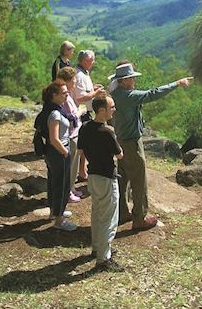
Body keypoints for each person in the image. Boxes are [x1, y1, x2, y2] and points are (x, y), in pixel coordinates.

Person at [109, 62, 193, 230]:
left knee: (123, 179)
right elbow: (153, 94)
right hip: (132, 144)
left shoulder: (115, 93)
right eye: (131, 78)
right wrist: (176, 84)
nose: (134, 81)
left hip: (120, 141)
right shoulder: (129, 96)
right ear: (124, 81)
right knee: (139, 181)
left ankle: (122, 212)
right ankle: (139, 218)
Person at [77, 94, 124, 272]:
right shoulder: (107, 131)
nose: (114, 110)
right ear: (102, 110)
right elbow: (119, 155)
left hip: (93, 176)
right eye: (112, 107)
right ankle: (103, 258)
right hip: (106, 177)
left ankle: (97, 247)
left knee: (97, 212)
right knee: (109, 219)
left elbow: (81, 150)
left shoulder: (85, 127)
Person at [35, 81, 76, 231]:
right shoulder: (55, 114)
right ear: (54, 95)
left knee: (54, 182)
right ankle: (59, 220)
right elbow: (54, 138)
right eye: (64, 93)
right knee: (62, 185)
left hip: (52, 153)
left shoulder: (50, 110)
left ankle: (55, 212)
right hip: (58, 152)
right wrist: (65, 152)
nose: (67, 95)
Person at [73, 50, 104, 182]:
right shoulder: (79, 75)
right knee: (84, 144)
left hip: (85, 111)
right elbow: (80, 97)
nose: (94, 62)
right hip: (82, 112)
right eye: (92, 60)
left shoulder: (83, 72)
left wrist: (93, 88)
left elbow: (84, 91)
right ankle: (81, 171)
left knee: (85, 143)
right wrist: (95, 93)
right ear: (85, 61)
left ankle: (82, 170)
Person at [56, 66, 85, 202]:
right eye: (73, 80)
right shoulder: (65, 98)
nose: (75, 83)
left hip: (74, 134)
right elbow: (71, 117)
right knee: (71, 166)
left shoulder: (67, 95)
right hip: (71, 135)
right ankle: (68, 192)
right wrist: (81, 112)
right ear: (66, 81)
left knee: (73, 164)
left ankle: (71, 189)